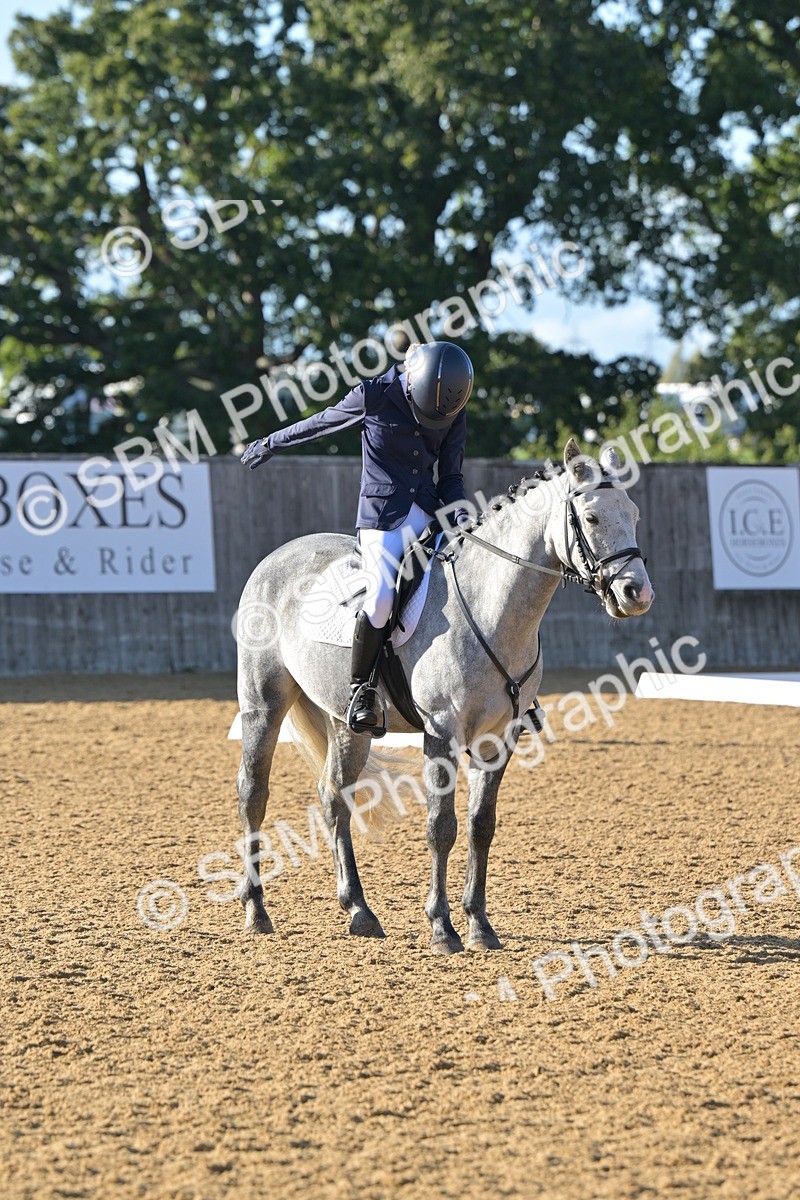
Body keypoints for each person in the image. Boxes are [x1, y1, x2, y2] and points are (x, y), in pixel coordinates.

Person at [241, 340, 474, 735]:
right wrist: (270, 443)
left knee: (474, 576)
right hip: (383, 518)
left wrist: (462, 512)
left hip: (429, 513)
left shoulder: (452, 406)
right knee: (382, 595)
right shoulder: (373, 395)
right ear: (411, 382)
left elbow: (450, 476)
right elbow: (319, 424)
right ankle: (361, 690)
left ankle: (505, 687)